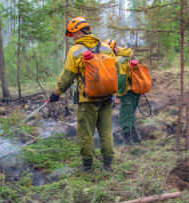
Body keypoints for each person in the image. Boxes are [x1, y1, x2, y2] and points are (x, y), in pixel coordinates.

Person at [49, 17, 116, 173]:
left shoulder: (76, 51)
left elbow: (67, 78)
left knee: (86, 134)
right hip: (107, 98)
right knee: (106, 132)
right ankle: (108, 165)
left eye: (73, 34)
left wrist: (56, 93)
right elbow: (116, 71)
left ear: (79, 31)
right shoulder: (106, 47)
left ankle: (87, 167)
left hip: (87, 100)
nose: (73, 38)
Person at [105, 39, 142, 145]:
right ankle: (136, 138)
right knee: (131, 114)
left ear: (114, 49)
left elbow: (121, 78)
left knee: (124, 116)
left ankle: (128, 142)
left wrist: (118, 95)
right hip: (136, 89)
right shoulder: (129, 53)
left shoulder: (120, 59)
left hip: (127, 92)